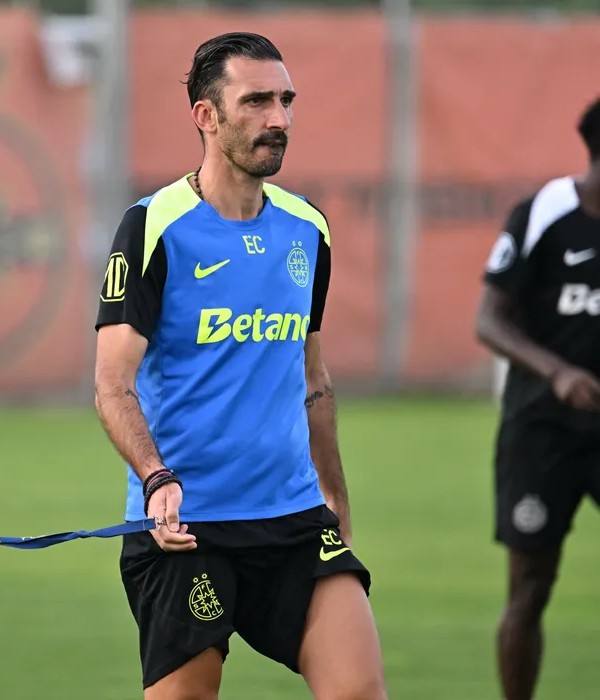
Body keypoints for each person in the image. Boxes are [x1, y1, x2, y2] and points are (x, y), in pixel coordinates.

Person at [92, 31, 386, 700]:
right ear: (206, 115)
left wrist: (335, 496)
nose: (278, 119)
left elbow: (313, 379)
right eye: (256, 101)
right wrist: (155, 479)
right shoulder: (152, 227)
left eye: (285, 101)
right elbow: (112, 384)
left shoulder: (307, 229)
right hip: (186, 528)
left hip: (294, 519)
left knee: (359, 691)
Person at [476, 95, 600, 700]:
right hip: (542, 429)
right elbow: (489, 321)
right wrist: (558, 372)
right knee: (530, 587)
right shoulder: (546, 212)